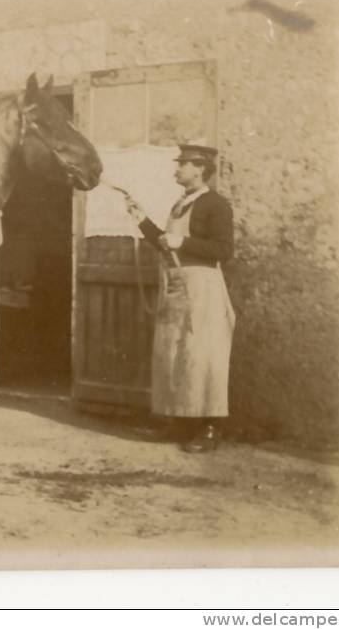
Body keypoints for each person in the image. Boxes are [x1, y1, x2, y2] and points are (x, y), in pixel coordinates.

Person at [123, 144, 236, 453]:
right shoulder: (180, 203)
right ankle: (182, 424)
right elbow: (166, 244)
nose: (177, 169)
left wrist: (182, 241)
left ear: (199, 168)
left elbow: (224, 250)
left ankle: (210, 429)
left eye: (182, 164)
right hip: (175, 285)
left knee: (204, 358)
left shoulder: (216, 205)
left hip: (203, 289)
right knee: (175, 356)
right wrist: (142, 220)